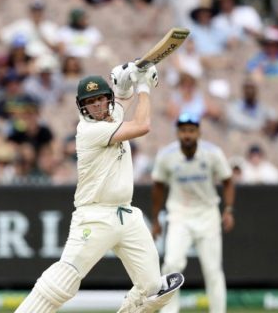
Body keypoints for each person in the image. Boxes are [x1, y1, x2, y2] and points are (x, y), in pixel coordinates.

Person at [15, 62, 184, 313]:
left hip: (127, 216)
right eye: (90, 102)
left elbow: (121, 103)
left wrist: (124, 83)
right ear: (82, 106)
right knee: (63, 281)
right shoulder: (88, 131)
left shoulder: (110, 116)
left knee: (153, 290)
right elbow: (142, 125)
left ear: (108, 100)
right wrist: (144, 86)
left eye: (101, 99)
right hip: (94, 216)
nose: (96, 106)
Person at [151, 113, 236, 313]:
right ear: (177, 133)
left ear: (198, 132)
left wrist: (229, 209)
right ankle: (168, 311)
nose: (187, 135)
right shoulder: (166, 155)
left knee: (213, 270)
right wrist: (155, 220)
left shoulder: (213, 153)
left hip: (207, 214)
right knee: (171, 264)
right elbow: (157, 185)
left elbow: (228, 180)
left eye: (191, 130)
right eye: (183, 131)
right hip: (179, 214)